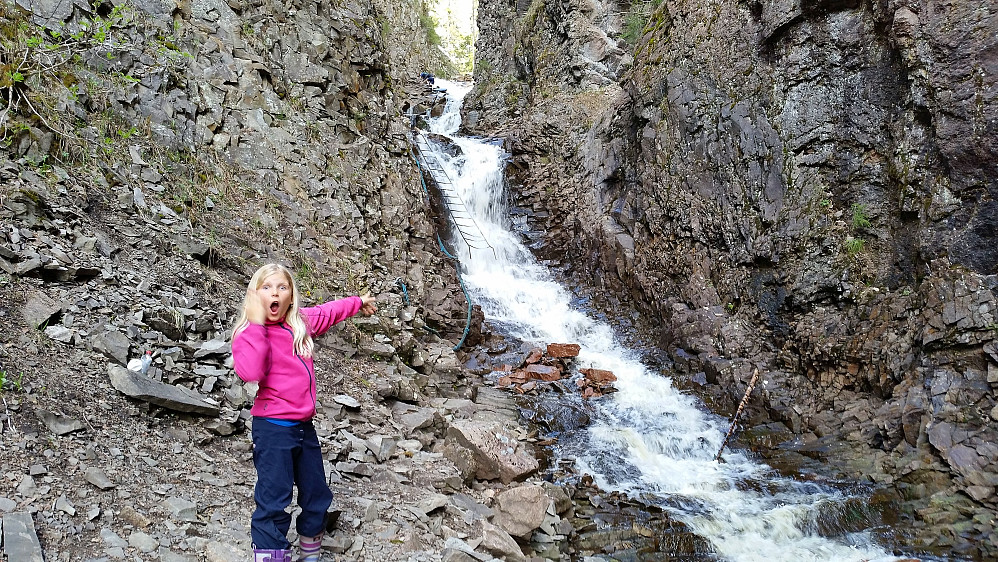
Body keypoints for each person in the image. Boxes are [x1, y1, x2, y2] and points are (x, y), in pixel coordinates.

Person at [231, 263, 377, 562]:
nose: (275, 293)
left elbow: (328, 311)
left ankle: (309, 554)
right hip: (272, 428)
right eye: (267, 287)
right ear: (255, 295)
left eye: (282, 287)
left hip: (302, 426)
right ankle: (271, 555)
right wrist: (258, 325)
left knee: (316, 494)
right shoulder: (248, 333)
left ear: (291, 295)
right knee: (274, 499)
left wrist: (358, 302)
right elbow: (251, 372)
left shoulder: (299, 323)